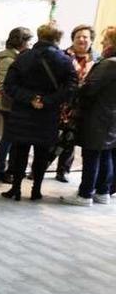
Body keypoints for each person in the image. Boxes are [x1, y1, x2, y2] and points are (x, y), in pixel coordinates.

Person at [2, 23, 78, 201]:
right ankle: (36, 190)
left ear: (38, 36)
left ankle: (16, 188)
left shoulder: (23, 58)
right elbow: (71, 87)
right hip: (48, 114)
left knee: (20, 151)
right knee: (42, 153)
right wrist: (47, 100)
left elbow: (9, 85)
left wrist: (31, 98)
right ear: (58, 38)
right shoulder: (65, 60)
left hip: (23, 112)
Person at [62, 26, 116, 206]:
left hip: (98, 117)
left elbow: (90, 88)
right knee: (106, 154)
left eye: (106, 40)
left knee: (92, 154)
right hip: (111, 117)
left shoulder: (108, 64)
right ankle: (103, 192)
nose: (102, 43)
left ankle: (85, 194)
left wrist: (79, 88)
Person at [55, 24, 100, 182]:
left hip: (81, 106)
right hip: (61, 103)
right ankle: (39, 168)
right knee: (53, 137)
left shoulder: (98, 60)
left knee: (70, 139)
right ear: (72, 39)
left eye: (85, 37)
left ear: (91, 40)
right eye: (78, 36)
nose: (81, 39)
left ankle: (63, 171)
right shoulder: (62, 55)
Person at [0, 27, 34, 183]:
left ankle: (7, 170)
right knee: (8, 139)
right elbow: (2, 86)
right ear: (21, 41)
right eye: (29, 41)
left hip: (13, 105)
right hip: (8, 106)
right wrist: (19, 99)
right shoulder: (8, 60)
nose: (30, 44)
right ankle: (0, 170)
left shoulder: (17, 58)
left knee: (10, 139)